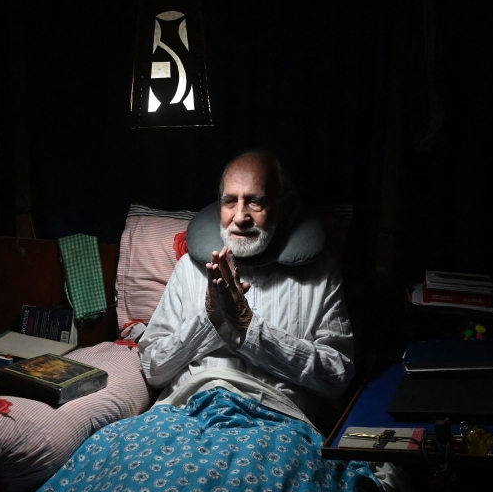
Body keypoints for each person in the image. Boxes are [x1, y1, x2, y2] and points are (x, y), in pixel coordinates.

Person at [137, 150, 355, 422]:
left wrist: (250, 329)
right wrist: (211, 321)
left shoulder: (321, 275)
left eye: (255, 202)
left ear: (284, 206)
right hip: (186, 418)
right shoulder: (188, 270)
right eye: (230, 201)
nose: (240, 216)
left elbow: (337, 378)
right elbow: (152, 368)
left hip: (272, 424)